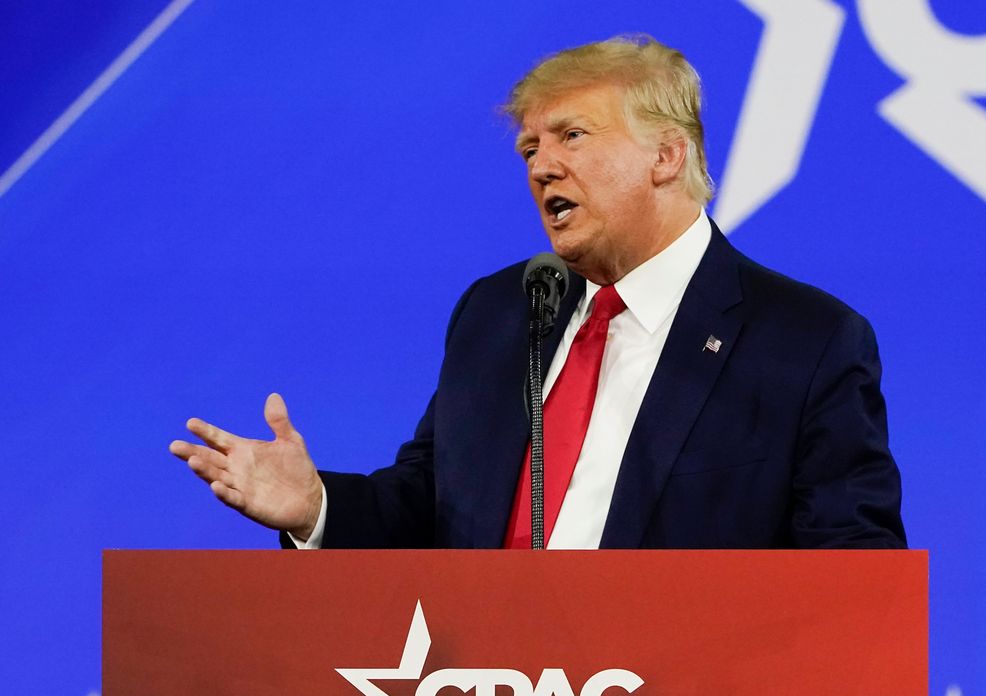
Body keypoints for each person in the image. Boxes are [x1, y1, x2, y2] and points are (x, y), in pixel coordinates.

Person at [169, 35, 905, 550]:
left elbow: (850, 570)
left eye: (572, 137)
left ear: (666, 154)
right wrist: (316, 508)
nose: (542, 167)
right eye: (530, 149)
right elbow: (431, 506)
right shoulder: (500, 313)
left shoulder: (802, 342)